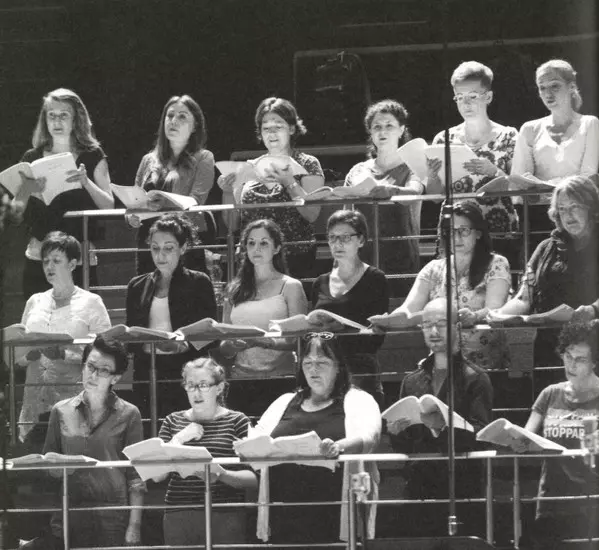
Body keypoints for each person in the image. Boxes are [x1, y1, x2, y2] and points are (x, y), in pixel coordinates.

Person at [254, 332, 381, 546]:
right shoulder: (285, 401)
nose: (313, 369)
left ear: (338, 366)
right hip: (284, 513)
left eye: (322, 362)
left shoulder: (358, 399)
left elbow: (370, 436)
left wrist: (338, 447)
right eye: (308, 363)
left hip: (333, 512)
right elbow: (258, 435)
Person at [388, 298, 493, 537]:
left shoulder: (475, 378)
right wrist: (396, 433)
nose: (433, 331)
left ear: (457, 327)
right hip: (419, 488)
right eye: (427, 325)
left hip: (461, 487)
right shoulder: (412, 381)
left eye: (441, 324)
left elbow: (483, 434)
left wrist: (442, 426)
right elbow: (404, 446)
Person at [39, 336, 145, 548]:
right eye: (90, 366)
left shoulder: (130, 414)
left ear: (115, 378)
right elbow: (47, 467)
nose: (94, 375)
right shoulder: (60, 410)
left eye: (104, 370)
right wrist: (56, 467)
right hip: (70, 512)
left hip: (113, 514)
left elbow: (136, 477)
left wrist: (134, 525)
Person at [16, 88, 115, 299]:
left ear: (76, 119)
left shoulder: (92, 155)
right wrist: (28, 190)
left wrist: (86, 182)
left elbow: (109, 205)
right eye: (51, 115)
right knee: (39, 316)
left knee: (81, 314)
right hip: (40, 255)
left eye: (63, 115)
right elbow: (16, 212)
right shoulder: (31, 157)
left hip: (78, 257)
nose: (57, 121)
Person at [492, 175, 599, 367]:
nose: (568, 215)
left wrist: (593, 309)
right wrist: (497, 314)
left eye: (574, 207)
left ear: (591, 208)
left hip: (592, 344)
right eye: (562, 209)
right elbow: (524, 299)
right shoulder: (545, 248)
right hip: (548, 345)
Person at [16, 232, 111, 446]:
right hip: (35, 401)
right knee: (35, 459)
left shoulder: (92, 302)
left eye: (56, 260)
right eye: (45, 261)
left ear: (73, 264)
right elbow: (19, 353)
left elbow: (107, 353)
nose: (49, 266)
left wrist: (65, 354)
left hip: (75, 400)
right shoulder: (34, 301)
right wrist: (27, 355)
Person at [393, 201, 511, 369]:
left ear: (478, 233)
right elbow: (409, 309)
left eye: (464, 230)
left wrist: (475, 316)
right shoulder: (433, 268)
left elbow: (495, 308)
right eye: (450, 231)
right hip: (443, 363)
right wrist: (387, 320)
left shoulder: (496, 263)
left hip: (486, 365)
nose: (456, 238)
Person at [513, 321, 599, 550]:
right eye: (568, 356)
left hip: (591, 501)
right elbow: (527, 435)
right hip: (551, 501)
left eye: (580, 359)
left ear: (594, 362)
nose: (571, 364)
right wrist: (519, 442)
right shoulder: (550, 394)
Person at [428, 61, 520, 268]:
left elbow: (518, 188)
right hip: (455, 231)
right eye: (460, 97)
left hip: (498, 230)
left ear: (488, 97)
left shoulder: (509, 136)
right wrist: (432, 175)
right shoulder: (444, 139)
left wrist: (494, 171)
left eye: (472, 96)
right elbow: (435, 196)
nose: (466, 104)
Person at [157, 357, 257, 547]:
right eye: (190, 385)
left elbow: (254, 479)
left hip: (225, 513)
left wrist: (221, 475)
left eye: (203, 385)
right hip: (179, 512)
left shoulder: (238, 421)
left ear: (219, 388)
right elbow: (157, 476)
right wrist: (178, 439)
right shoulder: (172, 421)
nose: (196, 392)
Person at [220, 97, 325, 278]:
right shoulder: (249, 167)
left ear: (291, 129)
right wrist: (227, 191)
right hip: (253, 258)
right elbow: (232, 223)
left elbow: (312, 214)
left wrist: (289, 182)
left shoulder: (308, 163)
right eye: (266, 128)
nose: (272, 133)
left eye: (278, 127)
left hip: (294, 256)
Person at [126, 214, 216, 423]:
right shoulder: (137, 285)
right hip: (147, 370)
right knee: (150, 428)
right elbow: (132, 334)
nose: (160, 255)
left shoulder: (199, 282)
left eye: (168, 248)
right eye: (155, 248)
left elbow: (212, 335)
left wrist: (181, 345)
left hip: (186, 369)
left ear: (183, 248)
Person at [220, 219, 308, 415]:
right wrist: (232, 345)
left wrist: (263, 341)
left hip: (281, 379)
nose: (256, 248)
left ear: (277, 248)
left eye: (264, 243)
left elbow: (300, 340)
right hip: (240, 380)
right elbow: (224, 346)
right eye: (251, 243)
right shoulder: (233, 289)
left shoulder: (291, 286)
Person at [511, 59, 599, 248]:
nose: (548, 93)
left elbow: (588, 176)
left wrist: (543, 187)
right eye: (542, 88)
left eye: (555, 86)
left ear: (571, 86)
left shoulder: (590, 123)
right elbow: (520, 179)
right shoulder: (529, 128)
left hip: (578, 213)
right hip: (538, 216)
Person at [128, 94, 216, 275]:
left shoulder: (204, 157)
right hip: (149, 241)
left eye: (182, 116)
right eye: (169, 116)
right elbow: (133, 203)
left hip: (183, 239)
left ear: (195, 126)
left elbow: (196, 200)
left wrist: (164, 205)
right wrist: (131, 217)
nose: (173, 121)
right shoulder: (148, 160)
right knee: (148, 289)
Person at [344, 99, 425, 294]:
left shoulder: (412, 167)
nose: (383, 131)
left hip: (401, 255)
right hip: (362, 256)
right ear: (371, 133)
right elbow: (346, 216)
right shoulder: (358, 170)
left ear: (401, 130)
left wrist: (391, 191)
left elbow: (415, 191)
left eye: (389, 126)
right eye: (377, 127)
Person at [311, 209, 389, 402]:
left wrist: (342, 330)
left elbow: (376, 338)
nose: (337, 244)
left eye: (345, 238)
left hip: (360, 370)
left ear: (360, 240)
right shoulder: (319, 282)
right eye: (332, 238)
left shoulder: (375, 278)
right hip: (324, 368)